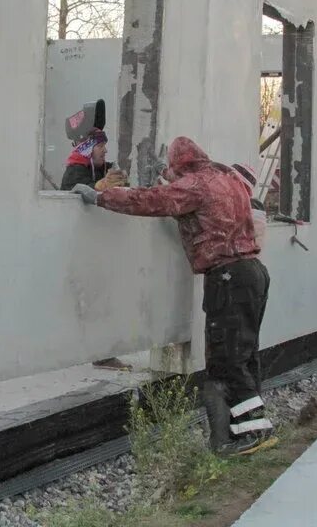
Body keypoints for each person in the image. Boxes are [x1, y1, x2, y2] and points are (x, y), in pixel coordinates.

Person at [73, 136, 275, 456]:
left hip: (227, 277)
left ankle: (248, 432)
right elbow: (199, 206)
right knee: (246, 353)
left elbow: (150, 201)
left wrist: (100, 197)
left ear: (179, 165)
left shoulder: (195, 186)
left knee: (225, 360)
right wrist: (171, 184)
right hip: (254, 274)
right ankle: (241, 431)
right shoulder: (227, 180)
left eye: (171, 169)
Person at [60, 128, 125, 191]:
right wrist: (98, 186)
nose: (105, 150)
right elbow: (79, 191)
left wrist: (121, 175)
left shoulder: (103, 169)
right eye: (100, 146)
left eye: (104, 146)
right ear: (86, 150)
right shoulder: (74, 172)